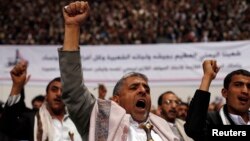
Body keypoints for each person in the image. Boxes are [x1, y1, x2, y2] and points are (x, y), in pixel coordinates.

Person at [59, 1, 178, 141]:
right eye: (134, 87)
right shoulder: (99, 118)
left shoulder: (164, 129)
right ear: (116, 100)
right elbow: (73, 90)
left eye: (146, 88)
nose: (143, 90)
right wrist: (72, 27)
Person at [0, 60, 81, 141]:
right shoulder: (33, 120)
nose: (59, 94)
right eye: (54, 89)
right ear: (46, 97)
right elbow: (7, 126)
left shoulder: (78, 121)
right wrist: (17, 86)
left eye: (63, 91)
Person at [184, 60, 250, 140]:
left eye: (249, 86)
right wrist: (207, 77)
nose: (245, 91)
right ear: (225, 93)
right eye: (238, 85)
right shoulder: (211, 121)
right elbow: (194, 130)